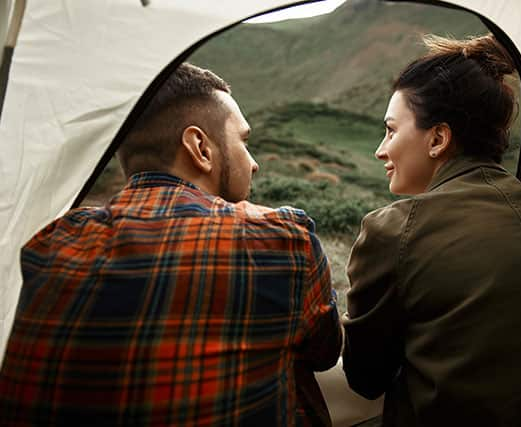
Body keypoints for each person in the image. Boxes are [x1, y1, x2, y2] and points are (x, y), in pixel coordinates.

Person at [0, 63, 342, 426]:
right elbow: (324, 353)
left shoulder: (45, 245)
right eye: (243, 141)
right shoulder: (280, 240)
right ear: (200, 148)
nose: (253, 163)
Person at [342, 34, 521, 426]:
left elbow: (365, 377)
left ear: (438, 139)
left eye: (391, 131)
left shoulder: (395, 230)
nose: (382, 149)